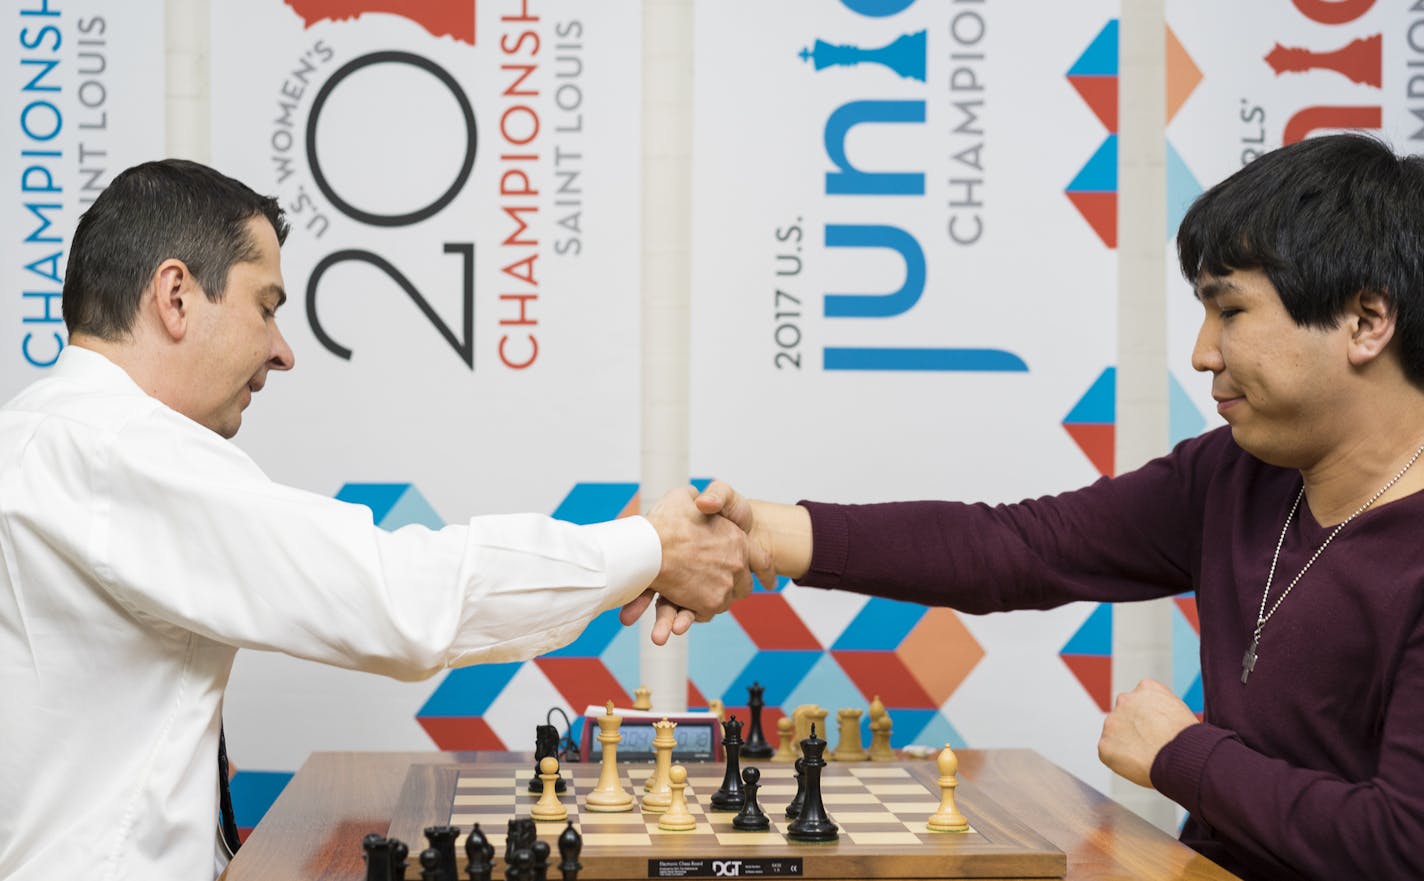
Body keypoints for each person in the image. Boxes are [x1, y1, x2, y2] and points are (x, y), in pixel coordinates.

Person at [0, 159, 767, 881]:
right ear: (175, 296)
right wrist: (650, 546)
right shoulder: (124, 452)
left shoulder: (39, 434)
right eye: (264, 306)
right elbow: (403, 600)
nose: (282, 350)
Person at [700, 133, 1424, 881]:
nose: (1203, 352)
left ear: (1366, 321)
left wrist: (1183, 754)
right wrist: (764, 532)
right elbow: (1017, 547)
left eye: (1230, 311)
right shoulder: (1233, 474)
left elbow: (1402, 844)